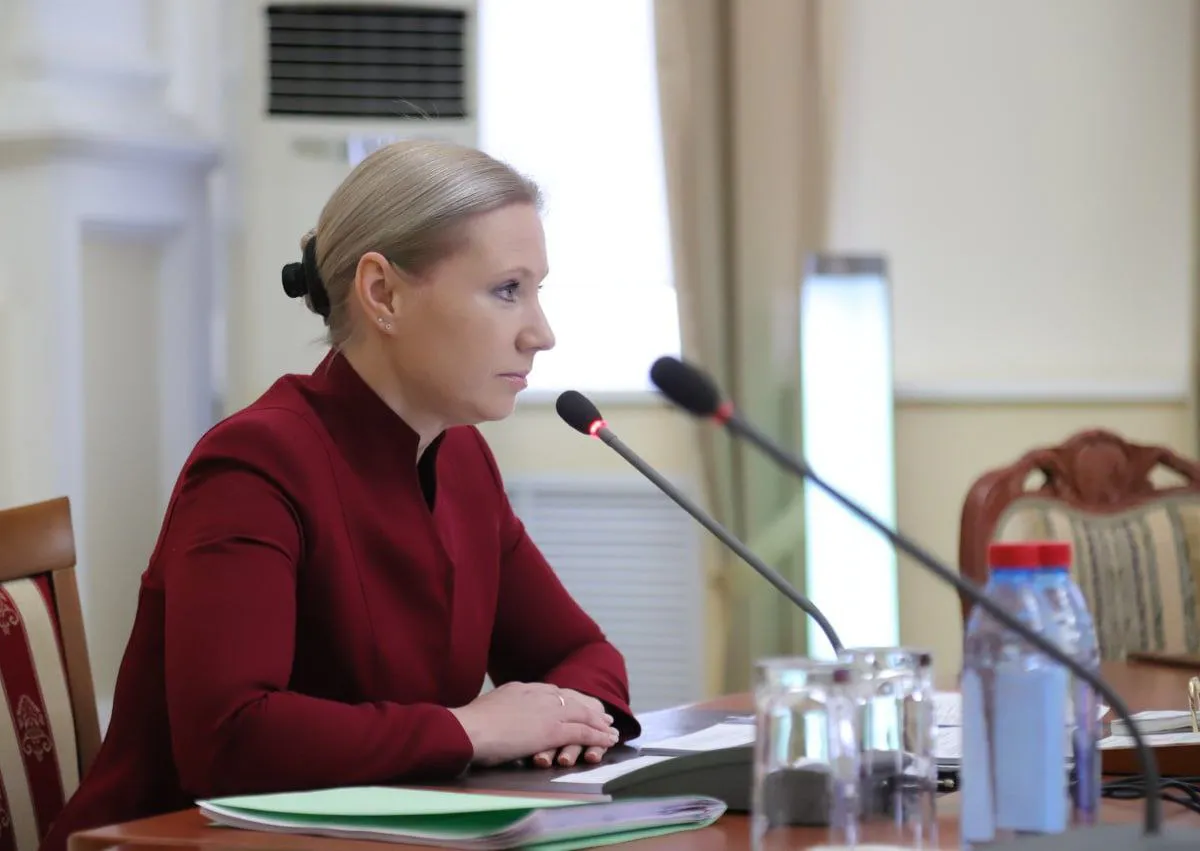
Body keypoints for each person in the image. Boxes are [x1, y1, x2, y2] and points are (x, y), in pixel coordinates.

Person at [40, 140, 640, 851]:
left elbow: (582, 652)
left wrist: (561, 719)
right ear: (382, 293)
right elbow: (230, 739)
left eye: (537, 291)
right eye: (508, 290)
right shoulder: (253, 463)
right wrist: (471, 729)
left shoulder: (462, 461)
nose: (541, 333)